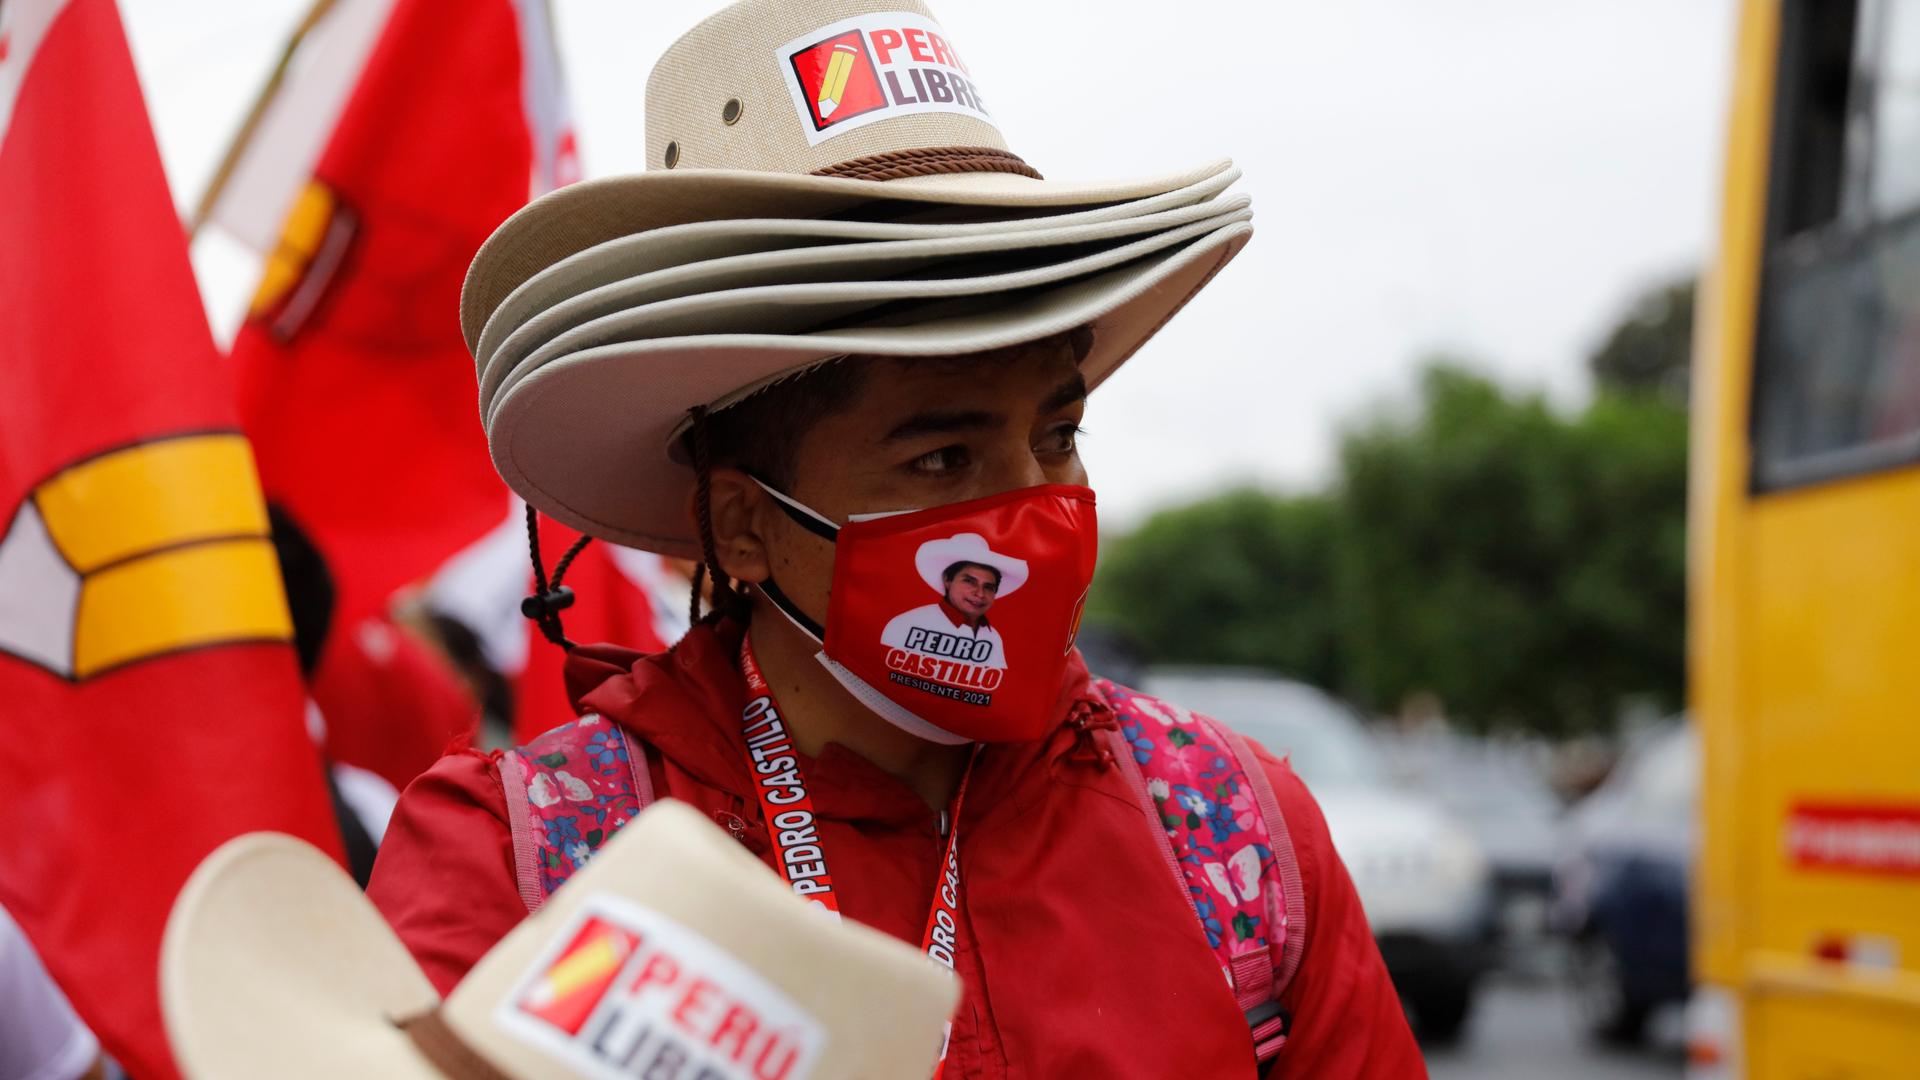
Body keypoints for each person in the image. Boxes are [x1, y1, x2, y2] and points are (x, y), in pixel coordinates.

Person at [370, 1, 1424, 1075]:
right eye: (941, 460)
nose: (1033, 508)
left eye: (1058, 434)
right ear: (744, 527)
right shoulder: (519, 865)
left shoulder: (1235, 836)